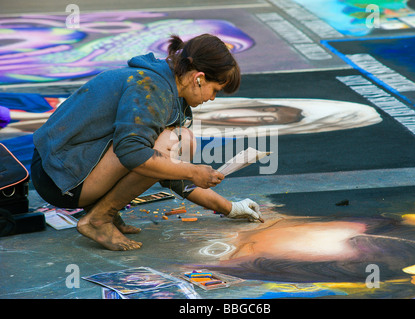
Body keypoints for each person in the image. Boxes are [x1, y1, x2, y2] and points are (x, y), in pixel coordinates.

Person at [31, 34, 263, 251]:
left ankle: (102, 212)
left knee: (176, 144)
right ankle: (98, 219)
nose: (212, 98)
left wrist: (230, 208)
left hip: (69, 171)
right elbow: (132, 153)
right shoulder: (151, 86)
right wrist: (192, 171)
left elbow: (174, 177)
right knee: (174, 142)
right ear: (199, 78)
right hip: (58, 178)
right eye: (215, 91)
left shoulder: (168, 88)